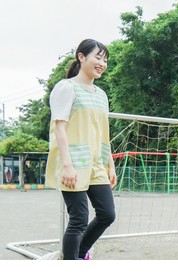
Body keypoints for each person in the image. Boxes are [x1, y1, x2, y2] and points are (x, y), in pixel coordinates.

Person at [45, 39, 116, 260]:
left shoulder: (101, 94)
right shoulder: (66, 88)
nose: (102, 63)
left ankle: (77, 255)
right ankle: (71, 262)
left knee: (107, 214)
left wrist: (110, 165)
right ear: (81, 57)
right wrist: (67, 166)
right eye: (97, 57)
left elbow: (103, 133)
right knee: (78, 219)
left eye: (105, 60)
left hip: (97, 163)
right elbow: (59, 127)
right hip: (73, 162)